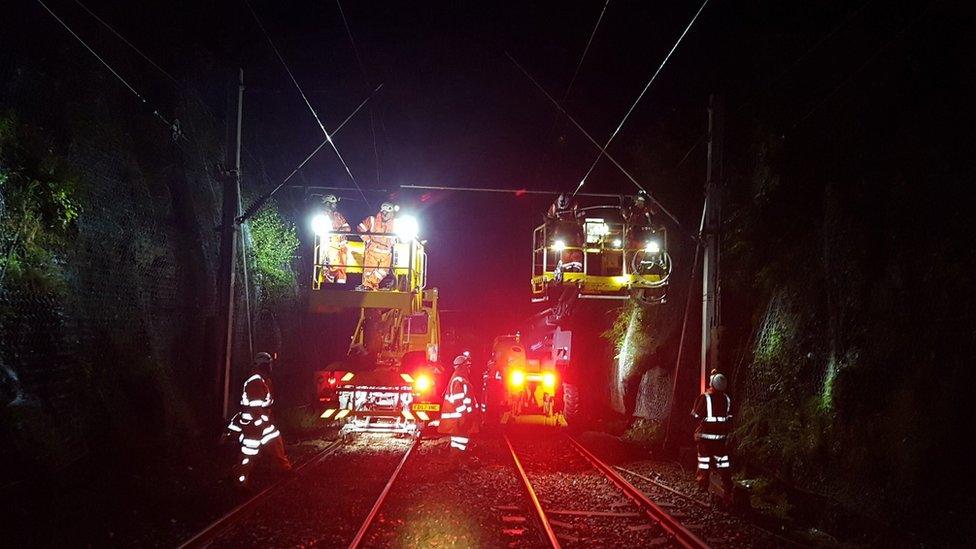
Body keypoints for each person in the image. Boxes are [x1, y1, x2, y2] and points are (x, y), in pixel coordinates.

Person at [226, 352, 292, 487]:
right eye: (268, 365)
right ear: (264, 366)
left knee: (275, 440)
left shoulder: (264, 380)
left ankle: (284, 469)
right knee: (249, 453)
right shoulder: (256, 382)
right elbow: (255, 407)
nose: (271, 368)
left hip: (261, 422)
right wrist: (261, 422)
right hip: (253, 425)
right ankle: (240, 482)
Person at [691, 370, 734, 503]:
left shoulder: (705, 397)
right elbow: (729, 417)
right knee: (723, 462)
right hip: (720, 438)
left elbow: (695, 415)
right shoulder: (726, 399)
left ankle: (702, 485)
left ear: (712, 382)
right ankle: (727, 485)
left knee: (704, 462)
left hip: (705, 438)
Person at [439, 353, 480, 465]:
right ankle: (456, 462)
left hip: (460, 418)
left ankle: (457, 461)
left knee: (459, 441)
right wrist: (464, 416)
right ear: (461, 367)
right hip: (459, 419)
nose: (469, 368)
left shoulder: (460, 379)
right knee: (459, 440)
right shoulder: (459, 380)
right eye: (467, 366)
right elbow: (458, 401)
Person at [356, 202, 397, 291]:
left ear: (392, 213)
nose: (385, 214)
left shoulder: (396, 224)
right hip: (371, 253)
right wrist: (368, 240)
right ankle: (367, 289)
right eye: (383, 212)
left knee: (382, 272)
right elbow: (360, 228)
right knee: (368, 275)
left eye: (387, 212)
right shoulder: (372, 220)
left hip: (386, 255)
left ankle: (367, 286)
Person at [545, 194, 583, 278]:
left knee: (576, 251)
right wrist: (549, 224)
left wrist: (579, 223)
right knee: (562, 251)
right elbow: (549, 217)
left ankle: (576, 270)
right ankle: (563, 268)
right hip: (561, 233)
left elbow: (581, 218)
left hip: (573, 231)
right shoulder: (555, 205)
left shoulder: (575, 205)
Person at [321, 194, 351, 284]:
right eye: (333, 203)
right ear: (327, 204)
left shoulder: (338, 216)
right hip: (330, 246)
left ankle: (341, 286)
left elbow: (348, 228)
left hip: (341, 247)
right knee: (332, 267)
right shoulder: (322, 216)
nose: (335, 205)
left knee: (341, 267)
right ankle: (328, 286)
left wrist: (341, 230)